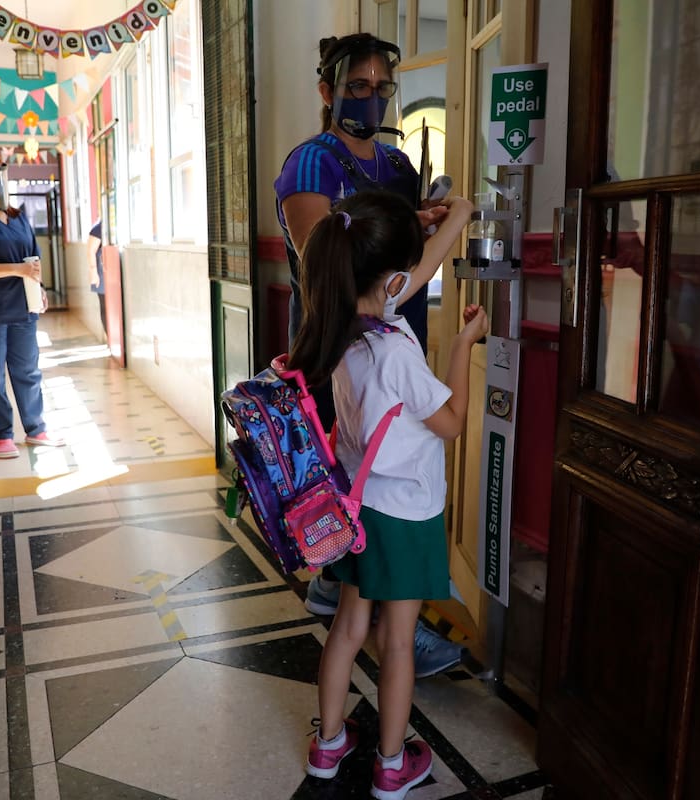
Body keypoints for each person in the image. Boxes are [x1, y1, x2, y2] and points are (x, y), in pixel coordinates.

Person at [273, 32, 463, 680]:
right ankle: (378, 614)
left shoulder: (398, 165)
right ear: (328, 91)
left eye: (383, 88)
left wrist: (418, 224)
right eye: (358, 87)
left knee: (388, 476)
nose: (372, 99)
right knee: (363, 486)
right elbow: (328, 267)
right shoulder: (311, 165)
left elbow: (390, 247)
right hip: (343, 350)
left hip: (396, 342)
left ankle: (359, 600)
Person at [290, 190, 485, 798]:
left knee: (348, 627)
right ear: (392, 280)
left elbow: (411, 275)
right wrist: (463, 345)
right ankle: (392, 765)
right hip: (404, 513)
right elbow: (451, 423)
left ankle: (328, 747)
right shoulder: (396, 350)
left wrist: (455, 218)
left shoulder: (342, 328)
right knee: (397, 641)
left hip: (356, 508)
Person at [0, 153, 65, 459]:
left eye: (0, 174)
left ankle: (36, 429)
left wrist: (39, 288)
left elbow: (33, 260)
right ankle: (2, 434)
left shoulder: (19, 217)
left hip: (23, 308)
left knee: (28, 370)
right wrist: (16, 269)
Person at [87, 219, 107, 335]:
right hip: (101, 274)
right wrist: (94, 273)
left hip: (109, 273)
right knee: (105, 307)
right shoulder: (98, 228)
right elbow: (90, 251)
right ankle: (110, 337)